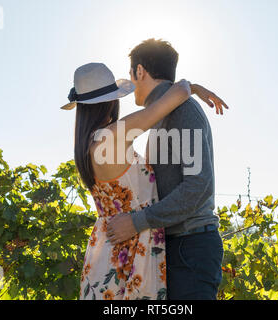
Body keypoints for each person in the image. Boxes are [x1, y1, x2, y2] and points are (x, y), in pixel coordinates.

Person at [61, 62, 225, 300]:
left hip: (106, 252)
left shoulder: (89, 146)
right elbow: (177, 94)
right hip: (132, 254)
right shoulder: (115, 136)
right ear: (111, 102)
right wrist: (193, 87)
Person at [106, 39, 229, 300]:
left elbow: (198, 185)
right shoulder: (161, 114)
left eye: (131, 74)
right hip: (174, 244)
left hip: (190, 247)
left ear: (140, 71)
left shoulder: (183, 111)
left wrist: (135, 222)